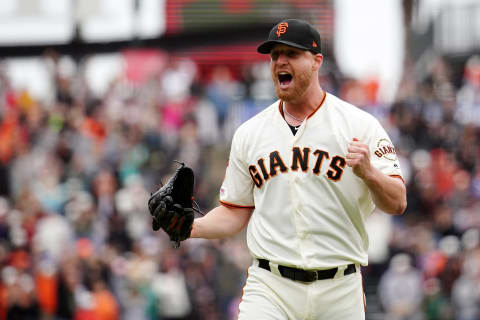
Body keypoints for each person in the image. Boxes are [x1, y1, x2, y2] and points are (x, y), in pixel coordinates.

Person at [167, 19, 406, 319]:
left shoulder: (360, 126)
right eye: (274, 55)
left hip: (339, 288)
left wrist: (370, 173)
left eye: (291, 54)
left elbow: (397, 202)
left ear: (317, 61)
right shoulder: (250, 133)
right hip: (271, 286)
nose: (280, 61)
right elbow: (235, 210)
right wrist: (188, 226)